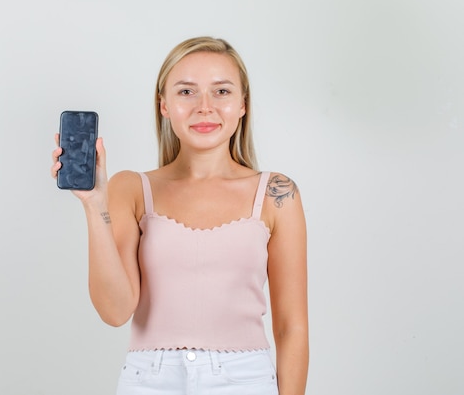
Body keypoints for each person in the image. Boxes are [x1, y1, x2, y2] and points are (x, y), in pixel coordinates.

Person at [51, 36, 308, 395]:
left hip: (245, 380)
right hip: (149, 381)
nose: (205, 107)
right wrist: (94, 205)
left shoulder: (277, 194)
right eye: (187, 92)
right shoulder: (131, 189)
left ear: (243, 104)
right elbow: (114, 311)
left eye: (221, 92)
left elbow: (291, 326)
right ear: (164, 105)